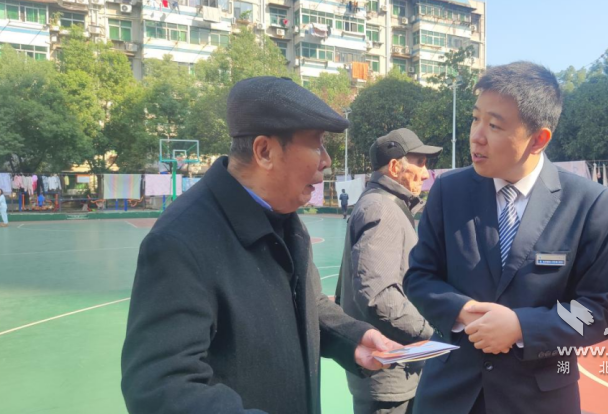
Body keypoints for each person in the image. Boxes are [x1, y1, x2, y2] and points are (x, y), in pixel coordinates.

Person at [121, 77, 402, 414]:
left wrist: (351, 338)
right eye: (316, 144)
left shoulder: (285, 218)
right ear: (264, 151)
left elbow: (307, 303)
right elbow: (160, 386)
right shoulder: (180, 242)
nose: (326, 160)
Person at [403, 62, 608, 414]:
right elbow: (419, 277)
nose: (477, 136)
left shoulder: (589, 204)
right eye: (475, 118)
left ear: (538, 139)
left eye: (494, 125)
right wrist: (462, 311)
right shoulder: (449, 190)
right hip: (449, 395)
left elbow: (603, 311)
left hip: (539, 400)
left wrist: (521, 327)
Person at [337, 128, 441, 414]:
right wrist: (435, 332)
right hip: (389, 375)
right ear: (395, 167)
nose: (425, 173)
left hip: (393, 371)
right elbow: (378, 295)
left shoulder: (382, 203)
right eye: (420, 163)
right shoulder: (381, 208)